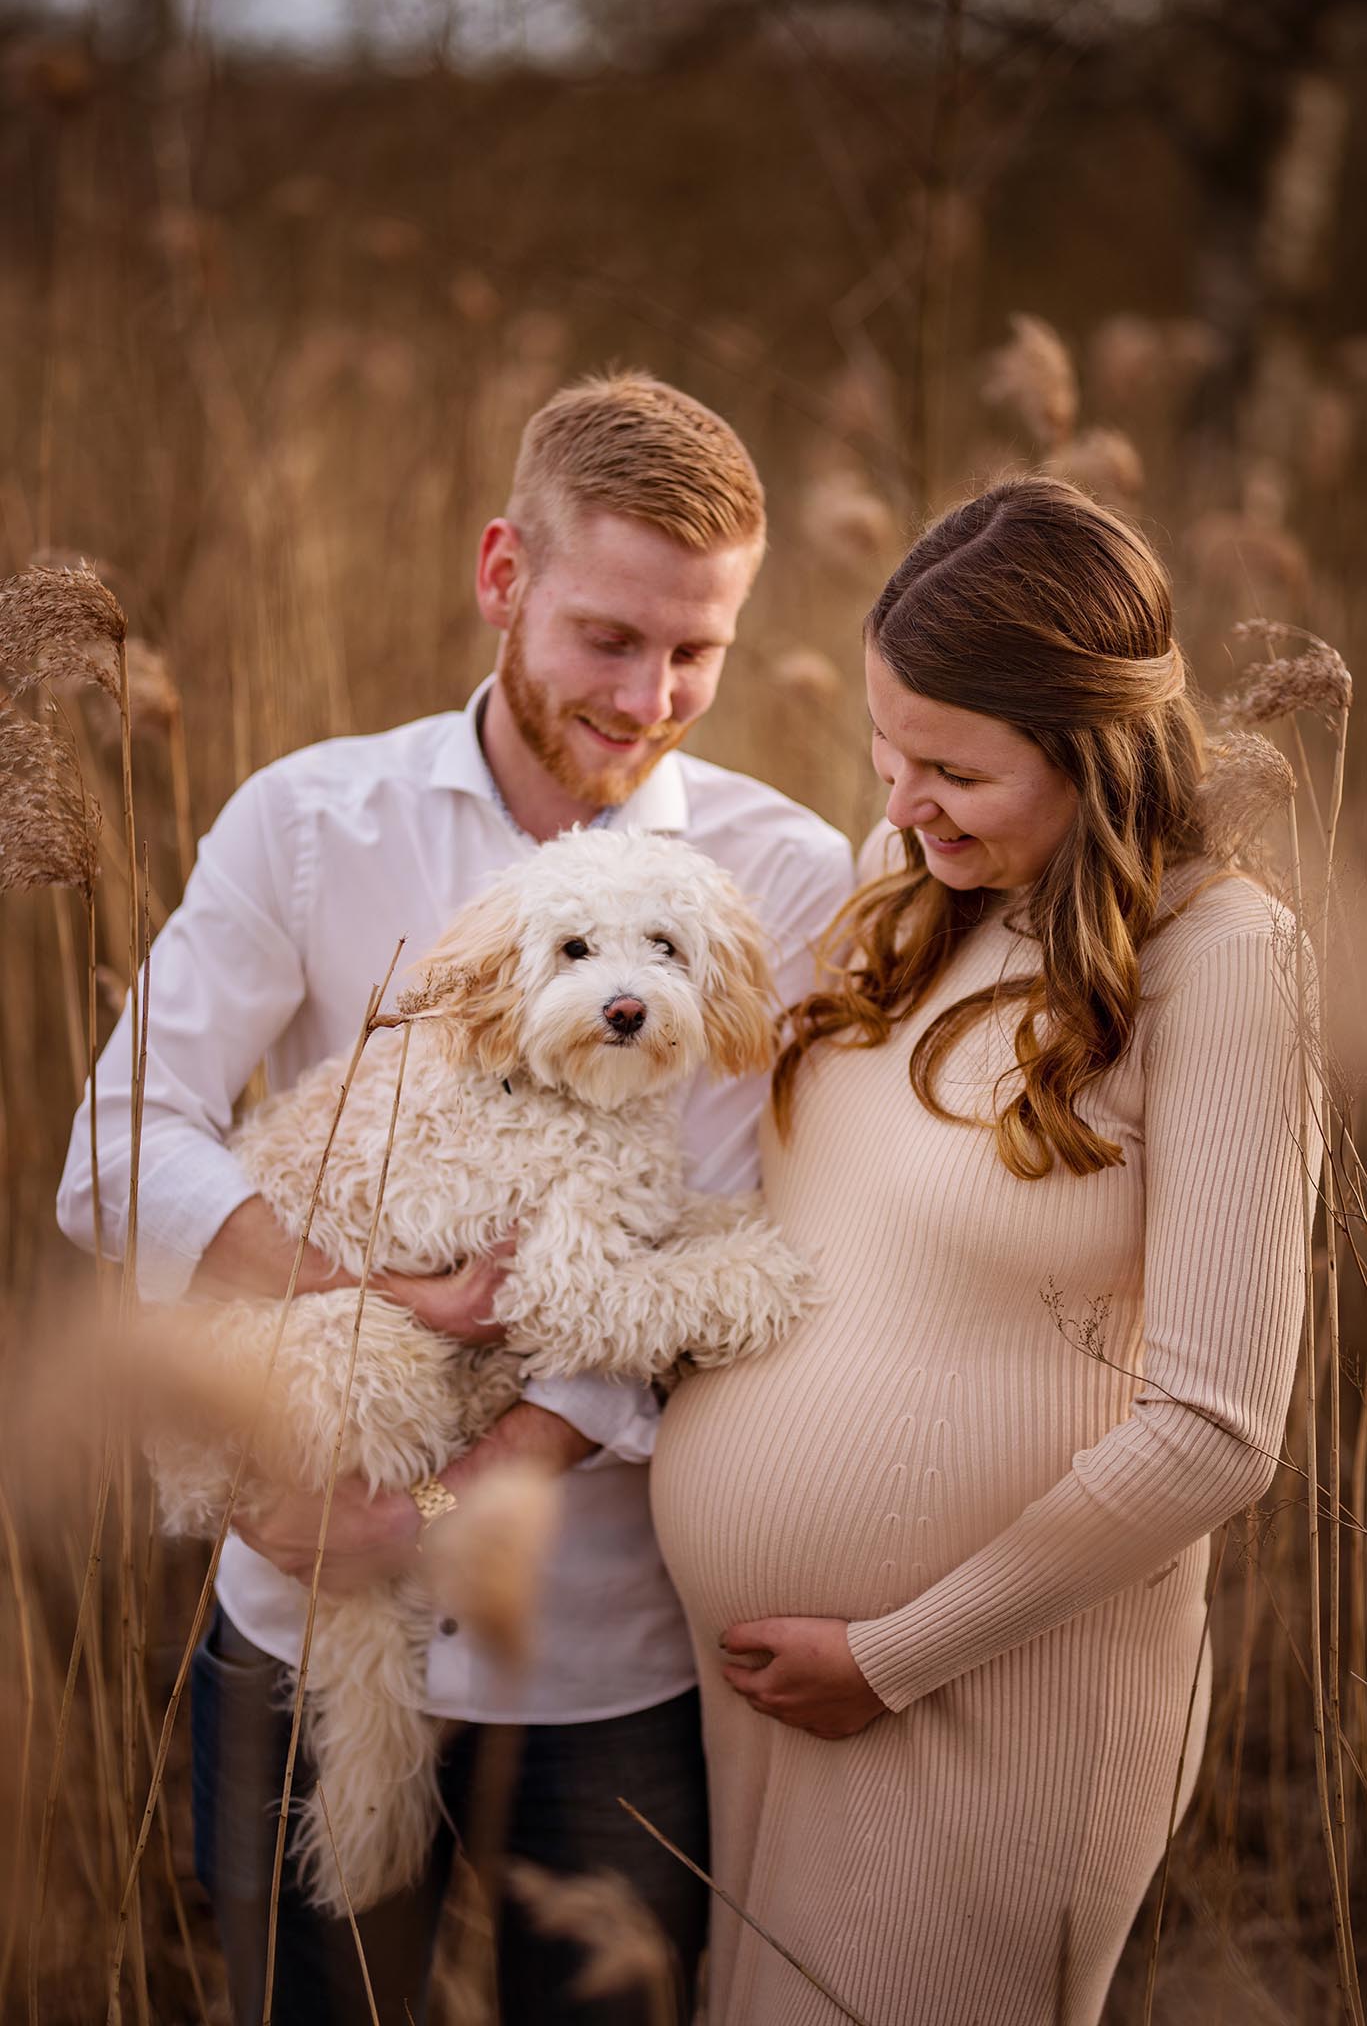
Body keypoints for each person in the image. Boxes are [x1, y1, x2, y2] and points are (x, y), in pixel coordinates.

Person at [56, 372, 853, 2025]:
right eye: (607, 638)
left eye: (695, 649)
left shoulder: (782, 881)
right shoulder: (307, 822)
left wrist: (423, 1513)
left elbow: (670, 1253)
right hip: (293, 1603)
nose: (650, 699)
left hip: (607, 1648)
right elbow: (118, 1150)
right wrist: (361, 1298)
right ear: (503, 575)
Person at [651, 476, 1310, 2025]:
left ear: (1097, 749)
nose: (900, 804)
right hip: (776, 1699)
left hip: (988, 1701)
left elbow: (1219, 1434)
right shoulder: (924, 907)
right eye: (888, 755)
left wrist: (892, 1655)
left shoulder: (1226, 963)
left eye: (953, 767)